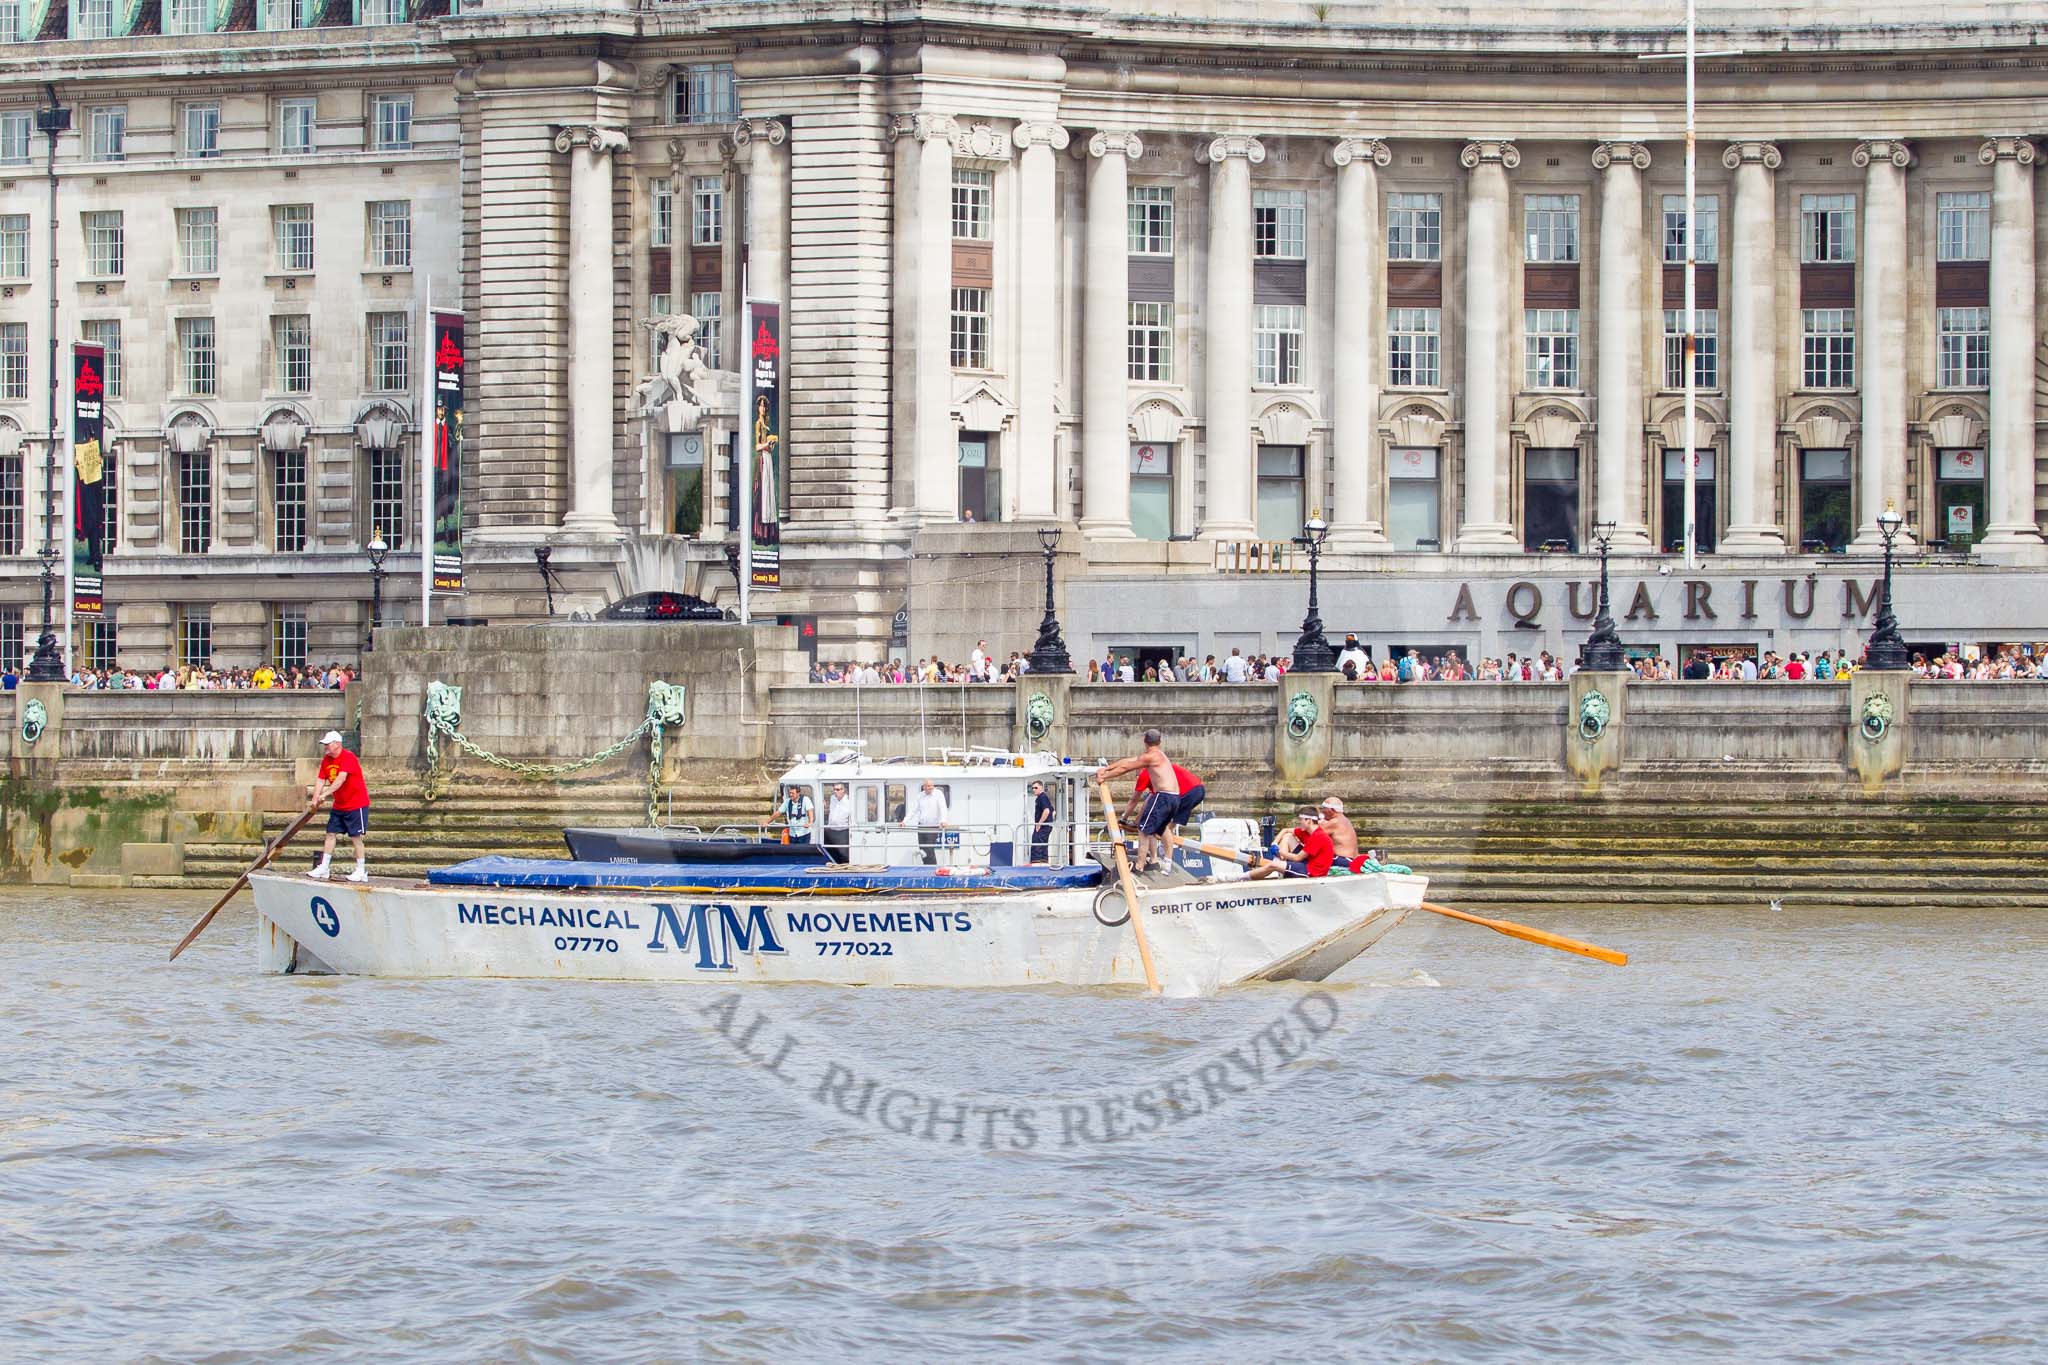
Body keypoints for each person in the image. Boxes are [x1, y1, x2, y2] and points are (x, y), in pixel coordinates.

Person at [1096, 729, 1180, 873]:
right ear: (1159, 742)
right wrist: (1106, 768)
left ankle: (1139, 866)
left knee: (1143, 829)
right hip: (1175, 797)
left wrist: (1104, 777)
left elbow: (1126, 768)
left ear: (1144, 741)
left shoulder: (1150, 757)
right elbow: (1129, 760)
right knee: (1162, 828)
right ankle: (1166, 863)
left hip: (1163, 796)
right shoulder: (1159, 755)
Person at [306, 729, 372, 882]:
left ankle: (361, 870)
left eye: (328, 744)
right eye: (325, 745)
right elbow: (321, 780)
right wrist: (315, 798)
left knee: (356, 837)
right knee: (330, 833)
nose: (326, 747)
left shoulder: (349, 758)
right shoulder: (326, 761)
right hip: (340, 805)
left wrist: (325, 795)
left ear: (337, 744)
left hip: (356, 804)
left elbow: (341, 779)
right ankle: (324, 867)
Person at [1126, 757, 1206, 845]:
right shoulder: (1161, 767)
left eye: (1136, 771)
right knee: (1169, 825)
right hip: (1198, 789)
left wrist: (1135, 821)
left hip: (1188, 792)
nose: (1137, 774)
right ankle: (1166, 852)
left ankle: (1165, 855)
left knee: (1161, 826)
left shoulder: (1147, 772)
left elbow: (1138, 800)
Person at [1252, 810, 1335, 879]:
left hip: (1312, 872)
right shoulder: (1307, 831)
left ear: (1309, 821)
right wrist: (1274, 843)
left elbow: (1297, 858)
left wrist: (1279, 851)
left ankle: (1242, 878)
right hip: (1308, 862)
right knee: (1288, 836)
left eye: (1300, 820)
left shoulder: (1318, 836)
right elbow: (1286, 830)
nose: (1299, 823)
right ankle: (1280, 863)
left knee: (1273, 865)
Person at [904, 777, 950, 865]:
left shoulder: (938, 794)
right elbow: (913, 810)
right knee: (922, 850)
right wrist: (905, 821)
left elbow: (943, 808)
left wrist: (943, 820)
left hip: (933, 826)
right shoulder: (920, 796)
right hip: (921, 826)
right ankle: (926, 867)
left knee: (929, 849)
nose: (930, 788)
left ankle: (932, 868)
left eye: (931, 786)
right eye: (928, 786)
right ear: (924, 787)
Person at [1319, 796, 1359, 860]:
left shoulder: (1335, 822)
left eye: (1324, 808)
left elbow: (1314, 834)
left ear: (1332, 810)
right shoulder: (1345, 820)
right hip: (1350, 859)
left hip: (1341, 859)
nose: (1322, 811)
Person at [822, 783, 851, 864]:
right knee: (831, 851)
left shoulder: (849, 801)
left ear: (843, 790)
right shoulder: (832, 798)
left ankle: (844, 868)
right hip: (831, 830)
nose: (835, 791)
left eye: (837, 789)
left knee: (844, 853)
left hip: (843, 831)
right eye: (834, 789)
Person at [1028, 779, 1054, 865]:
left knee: (1037, 842)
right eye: (1032, 788)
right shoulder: (1044, 797)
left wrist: (1040, 823)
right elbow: (1053, 811)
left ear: (1041, 787)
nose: (1034, 789)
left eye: (1036, 787)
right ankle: (1044, 862)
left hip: (1043, 826)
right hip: (1047, 826)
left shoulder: (1042, 797)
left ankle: (1037, 863)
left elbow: (1046, 811)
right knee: (1043, 843)